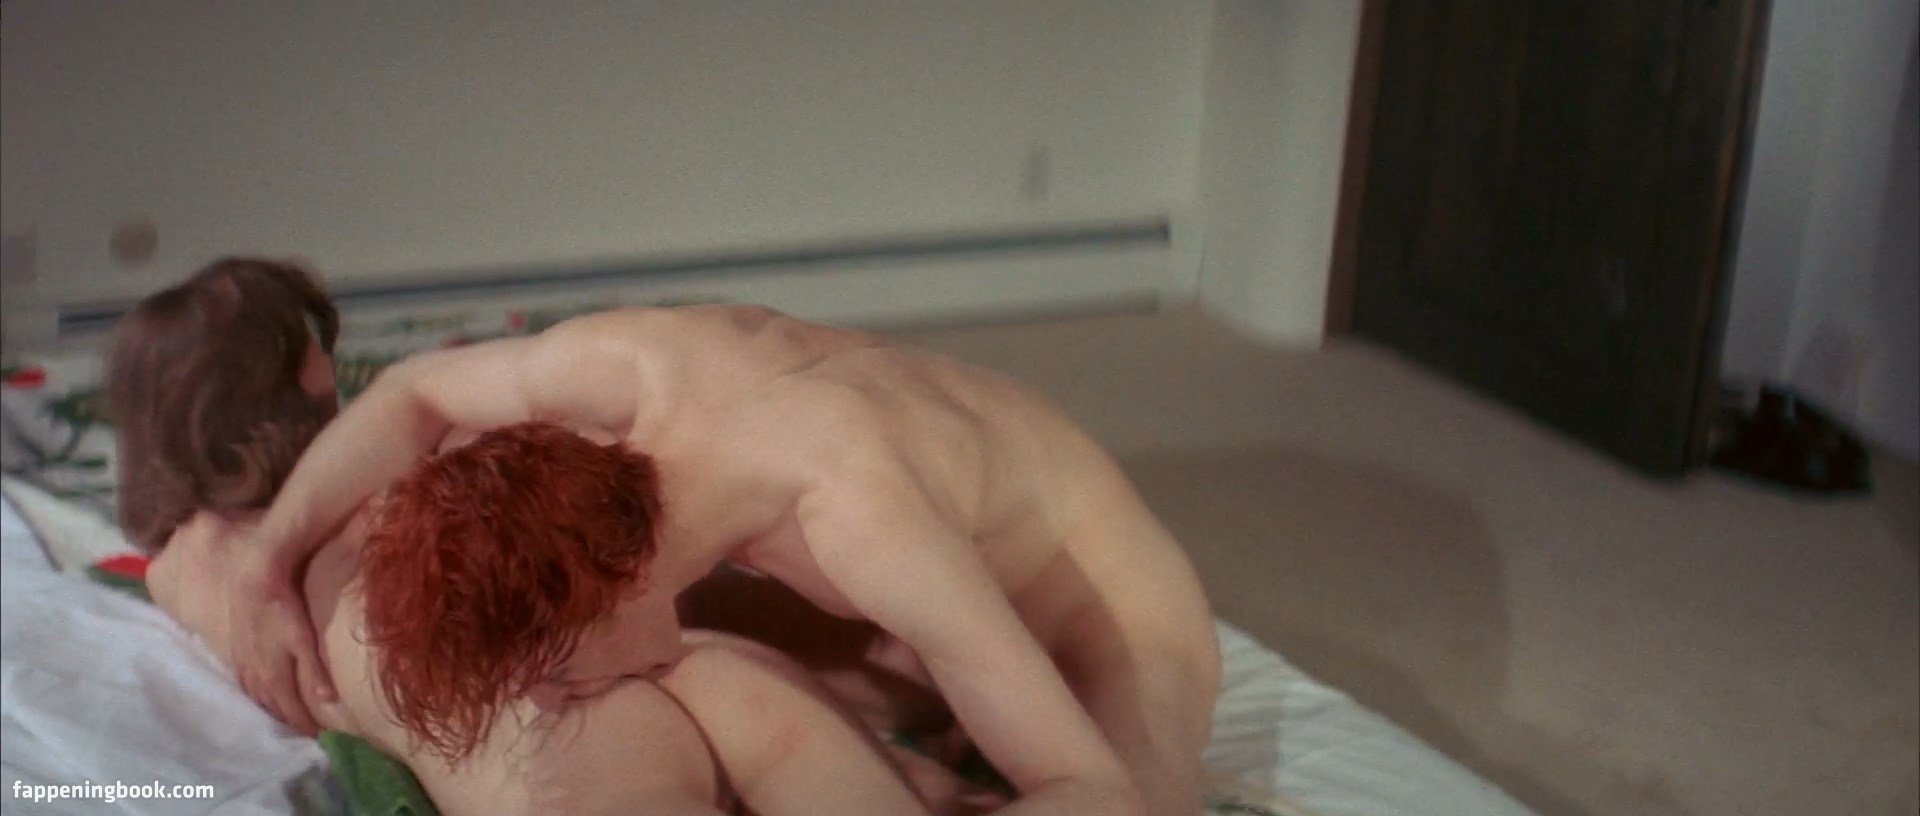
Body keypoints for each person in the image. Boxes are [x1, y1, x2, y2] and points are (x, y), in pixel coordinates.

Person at [232, 304, 1224, 815]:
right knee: (749, 703)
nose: (542, 701)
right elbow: (414, 392)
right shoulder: (630, 370)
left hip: (1099, 599)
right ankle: (941, 717)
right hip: (915, 586)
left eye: (554, 675)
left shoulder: (861, 520)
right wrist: (267, 565)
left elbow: (1088, 786)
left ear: (619, 596)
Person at [107, 261, 990, 815]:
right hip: (592, 713)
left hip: (559, 720)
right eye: (323, 398)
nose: (342, 419)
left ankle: (915, 734)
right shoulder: (265, 535)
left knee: (759, 683)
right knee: (769, 701)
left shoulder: (202, 558)